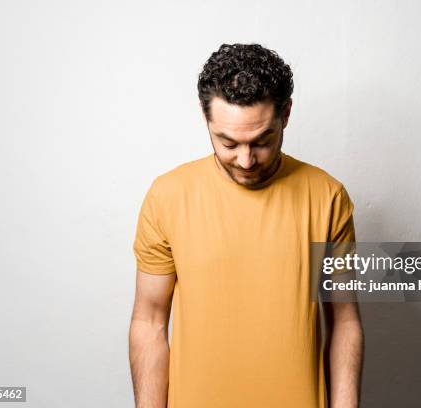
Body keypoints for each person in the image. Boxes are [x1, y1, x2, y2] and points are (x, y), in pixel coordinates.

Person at [129, 43, 364, 408]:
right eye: (228, 142)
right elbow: (150, 323)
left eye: (262, 141)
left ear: (286, 113)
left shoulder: (328, 197)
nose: (246, 160)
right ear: (205, 118)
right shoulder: (167, 196)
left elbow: (345, 320)